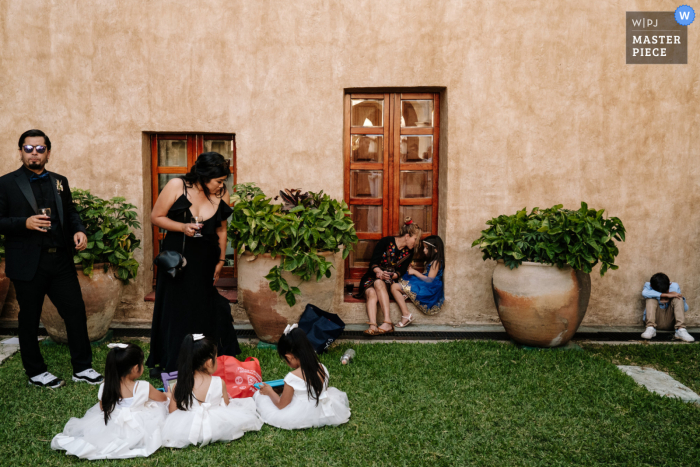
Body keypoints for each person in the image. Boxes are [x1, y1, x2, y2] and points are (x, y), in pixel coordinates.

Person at [0, 129, 102, 388]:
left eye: (40, 148)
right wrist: (25, 222)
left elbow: (70, 211)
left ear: (48, 152)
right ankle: (35, 372)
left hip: (60, 261)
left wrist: (79, 229)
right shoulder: (6, 183)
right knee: (30, 317)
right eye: (28, 148)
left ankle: (82, 367)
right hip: (27, 263)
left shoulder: (60, 181)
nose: (34, 153)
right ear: (21, 150)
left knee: (76, 312)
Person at [147, 153, 241, 376]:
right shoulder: (176, 185)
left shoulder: (222, 193)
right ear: (204, 176)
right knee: (174, 309)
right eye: (218, 180)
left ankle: (202, 358)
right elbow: (156, 217)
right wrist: (182, 227)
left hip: (205, 260)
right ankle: (171, 360)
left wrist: (220, 261)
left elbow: (221, 229)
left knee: (204, 307)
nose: (222, 185)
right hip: (177, 260)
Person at [51, 343, 169, 459]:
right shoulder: (144, 386)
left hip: (112, 424)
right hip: (139, 425)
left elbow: (103, 408)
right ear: (135, 368)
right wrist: (168, 393)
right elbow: (163, 399)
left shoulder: (106, 386)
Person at [161, 334, 262, 448]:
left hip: (185, 430)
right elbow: (226, 405)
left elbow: (172, 411)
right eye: (216, 358)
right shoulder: (219, 382)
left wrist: (170, 396)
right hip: (216, 426)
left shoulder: (179, 385)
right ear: (209, 362)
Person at [254, 325, 350, 429]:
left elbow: (281, 405)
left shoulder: (291, 377)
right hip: (322, 410)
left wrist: (270, 391)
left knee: (259, 396)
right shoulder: (322, 368)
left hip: (300, 415)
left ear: (289, 357)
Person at [354, 217, 422, 335]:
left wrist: (390, 275)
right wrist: (379, 272)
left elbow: (400, 272)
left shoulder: (409, 252)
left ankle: (387, 322)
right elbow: (373, 263)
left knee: (379, 283)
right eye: (415, 239)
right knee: (371, 293)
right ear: (407, 236)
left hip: (387, 282)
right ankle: (373, 326)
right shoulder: (385, 242)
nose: (416, 243)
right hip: (371, 276)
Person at [393, 235, 445, 327]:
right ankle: (407, 294)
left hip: (430, 288)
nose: (424, 250)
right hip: (426, 284)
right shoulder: (432, 260)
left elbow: (429, 280)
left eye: (426, 248)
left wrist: (415, 272)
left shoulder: (436, 262)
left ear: (435, 250)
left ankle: (406, 315)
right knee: (403, 277)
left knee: (394, 287)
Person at [641, 273, 695, 342]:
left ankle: (680, 330)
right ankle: (650, 328)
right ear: (651, 286)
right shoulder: (648, 285)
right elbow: (644, 293)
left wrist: (680, 298)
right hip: (655, 320)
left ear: (670, 284)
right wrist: (667, 295)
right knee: (650, 299)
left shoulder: (675, 286)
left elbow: (685, 309)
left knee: (678, 298)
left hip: (671, 322)